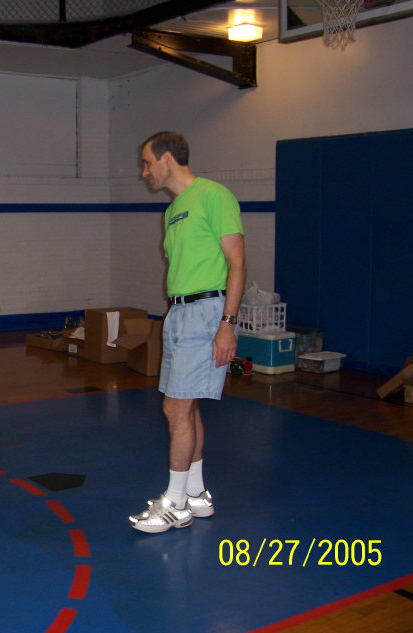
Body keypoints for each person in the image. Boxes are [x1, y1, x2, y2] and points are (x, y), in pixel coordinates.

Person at [129, 131, 246, 534]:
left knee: (175, 409)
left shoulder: (215, 196)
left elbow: (237, 263)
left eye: (147, 163)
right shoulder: (173, 210)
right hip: (178, 314)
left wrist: (227, 325)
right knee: (187, 407)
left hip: (206, 312)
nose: (144, 172)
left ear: (167, 159)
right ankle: (196, 494)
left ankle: (175, 503)